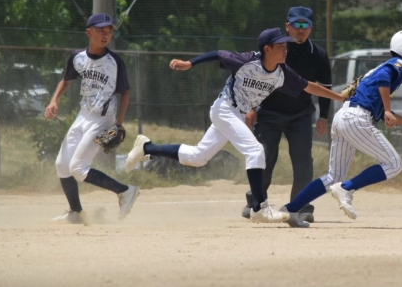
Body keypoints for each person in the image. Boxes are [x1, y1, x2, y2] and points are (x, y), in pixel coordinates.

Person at [123, 27, 345, 223]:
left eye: (286, 46)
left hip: (235, 116)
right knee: (256, 151)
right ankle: (259, 208)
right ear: (267, 49)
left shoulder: (282, 73)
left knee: (198, 157)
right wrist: (190, 63)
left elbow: (308, 86)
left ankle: (147, 147)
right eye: (280, 46)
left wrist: (340, 97)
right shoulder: (247, 60)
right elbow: (218, 54)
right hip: (225, 109)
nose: (286, 49)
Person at [279, 30, 402, 228]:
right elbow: (384, 79)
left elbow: (379, 107)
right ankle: (346, 188)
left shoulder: (386, 68)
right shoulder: (399, 64)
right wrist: (388, 109)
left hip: (345, 116)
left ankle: (290, 209)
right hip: (356, 119)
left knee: (333, 176)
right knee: (394, 164)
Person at [45, 13, 140, 224]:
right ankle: (76, 212)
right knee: (62, 165)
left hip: (103, 119)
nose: (106, 35)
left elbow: (125, 93)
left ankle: (125, 191)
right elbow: (66, 80)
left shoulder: (115, 62)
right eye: (101, 30)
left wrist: (119, 124)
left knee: (78, 168)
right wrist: (54, 101)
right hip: (83, 116)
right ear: (89, 32)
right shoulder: (78, 57)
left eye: (109, 31)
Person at [240, 6, 332, 223]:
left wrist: (323, 116)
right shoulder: (276, 50)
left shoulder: (318, 54)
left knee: (303, 161)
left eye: (305, 25)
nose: (300, 29)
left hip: (300, 115)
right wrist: (251, 107)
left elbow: (325, 86)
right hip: (269, 113)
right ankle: (256, 202)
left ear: (311, 28)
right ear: (287, 26)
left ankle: (301, 206)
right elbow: (256, 80)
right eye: (296, 24)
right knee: (265, 156)